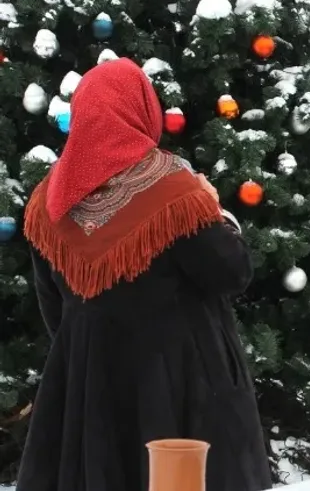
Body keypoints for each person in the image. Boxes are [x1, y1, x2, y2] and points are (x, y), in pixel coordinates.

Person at [18, 58, 271, 491]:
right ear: (141, 110)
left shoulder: (48, 201)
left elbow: (53, 307)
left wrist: (90, 355)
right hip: (179, 389)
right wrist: (217, 210)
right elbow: (231, 273)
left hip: (85, 393)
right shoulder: (176, 190)